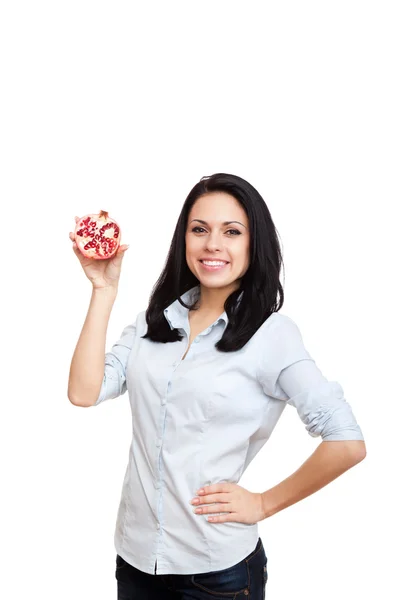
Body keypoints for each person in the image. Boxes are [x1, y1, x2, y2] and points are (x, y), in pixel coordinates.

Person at [68, 172, 366, 599]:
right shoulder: (155, 323)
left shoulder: (272, 336)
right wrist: (103, 290)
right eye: (199, 229)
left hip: (217, 574)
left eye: (232, 231)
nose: (213, 244)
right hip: (134, 560)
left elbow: (347, 441)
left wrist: (263, 503)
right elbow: (84, 392)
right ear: (183, 239)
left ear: (253, 243)